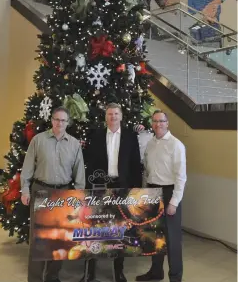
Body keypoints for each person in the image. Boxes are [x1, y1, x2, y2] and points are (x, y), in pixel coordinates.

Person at [21, 107, 85, 282]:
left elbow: (79, 173)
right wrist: (25, 191)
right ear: (51, 120)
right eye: (57, 119)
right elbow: (27, 168)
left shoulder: (74, 144)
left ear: (68, 123)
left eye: (63, 120)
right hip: (41, 191)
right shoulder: (38, 140)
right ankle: (34, 278)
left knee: (58, 238)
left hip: (63, 193)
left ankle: (52, 276)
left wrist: (78, 197)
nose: (59, 123)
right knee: (38, 239)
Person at [80, 103, 142, 282]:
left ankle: (118, 271)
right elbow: (90, 163)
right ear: (105, 117)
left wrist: (134, 191)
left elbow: (136, 165)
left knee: (120, 229)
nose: (113, 117)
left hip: (123, 188)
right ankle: (90, 272)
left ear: (121, 116)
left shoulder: (130, 136)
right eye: (109, 114)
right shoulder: (97, 136)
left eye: (116, 114)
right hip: (100, 187)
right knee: (94, 228)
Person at [136, 110, 186, 282]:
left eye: (162, 121)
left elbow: (181, 177)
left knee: (172, 239)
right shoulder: (150, 144)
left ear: (167, 123)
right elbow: (147, 172)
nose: (158, 124)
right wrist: (145, 194)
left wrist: (174, 202)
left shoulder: (176, 145)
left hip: (169, 193)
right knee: (154, 236)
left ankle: (175, 277)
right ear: (152, 123)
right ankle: (156, 272)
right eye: (155, 121)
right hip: (152, 193)